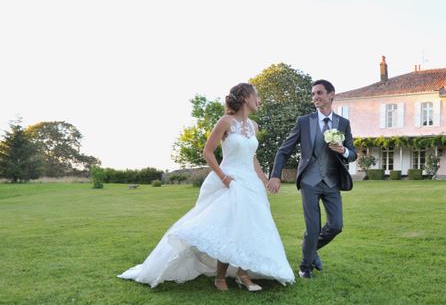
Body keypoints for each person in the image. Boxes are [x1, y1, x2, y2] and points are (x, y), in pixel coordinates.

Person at [118, 83, 295, 291]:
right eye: (257, 95)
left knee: (249, 228)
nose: (260, 100)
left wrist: (265, 180)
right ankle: (220, 277)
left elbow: (252, 158)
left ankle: (242, 273)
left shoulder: (254, 126)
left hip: (250, 183)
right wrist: (224, 178)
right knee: (228, 227)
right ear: (246, 97)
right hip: (230, 181)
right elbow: (208, 152)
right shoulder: (225, 122)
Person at [266, 79, 357, 278]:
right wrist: (275, 176)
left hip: (332, 181)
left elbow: (353, 153)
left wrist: (343, 151)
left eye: (319, 93)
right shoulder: (304, 122)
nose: (315, 97)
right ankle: (305, 267)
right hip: (309, 181)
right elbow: (283, 151)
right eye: (313, 94)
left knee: (336, 226)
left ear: (331, 95)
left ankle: (310, 247)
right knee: (313, 226)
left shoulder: (343, 123)